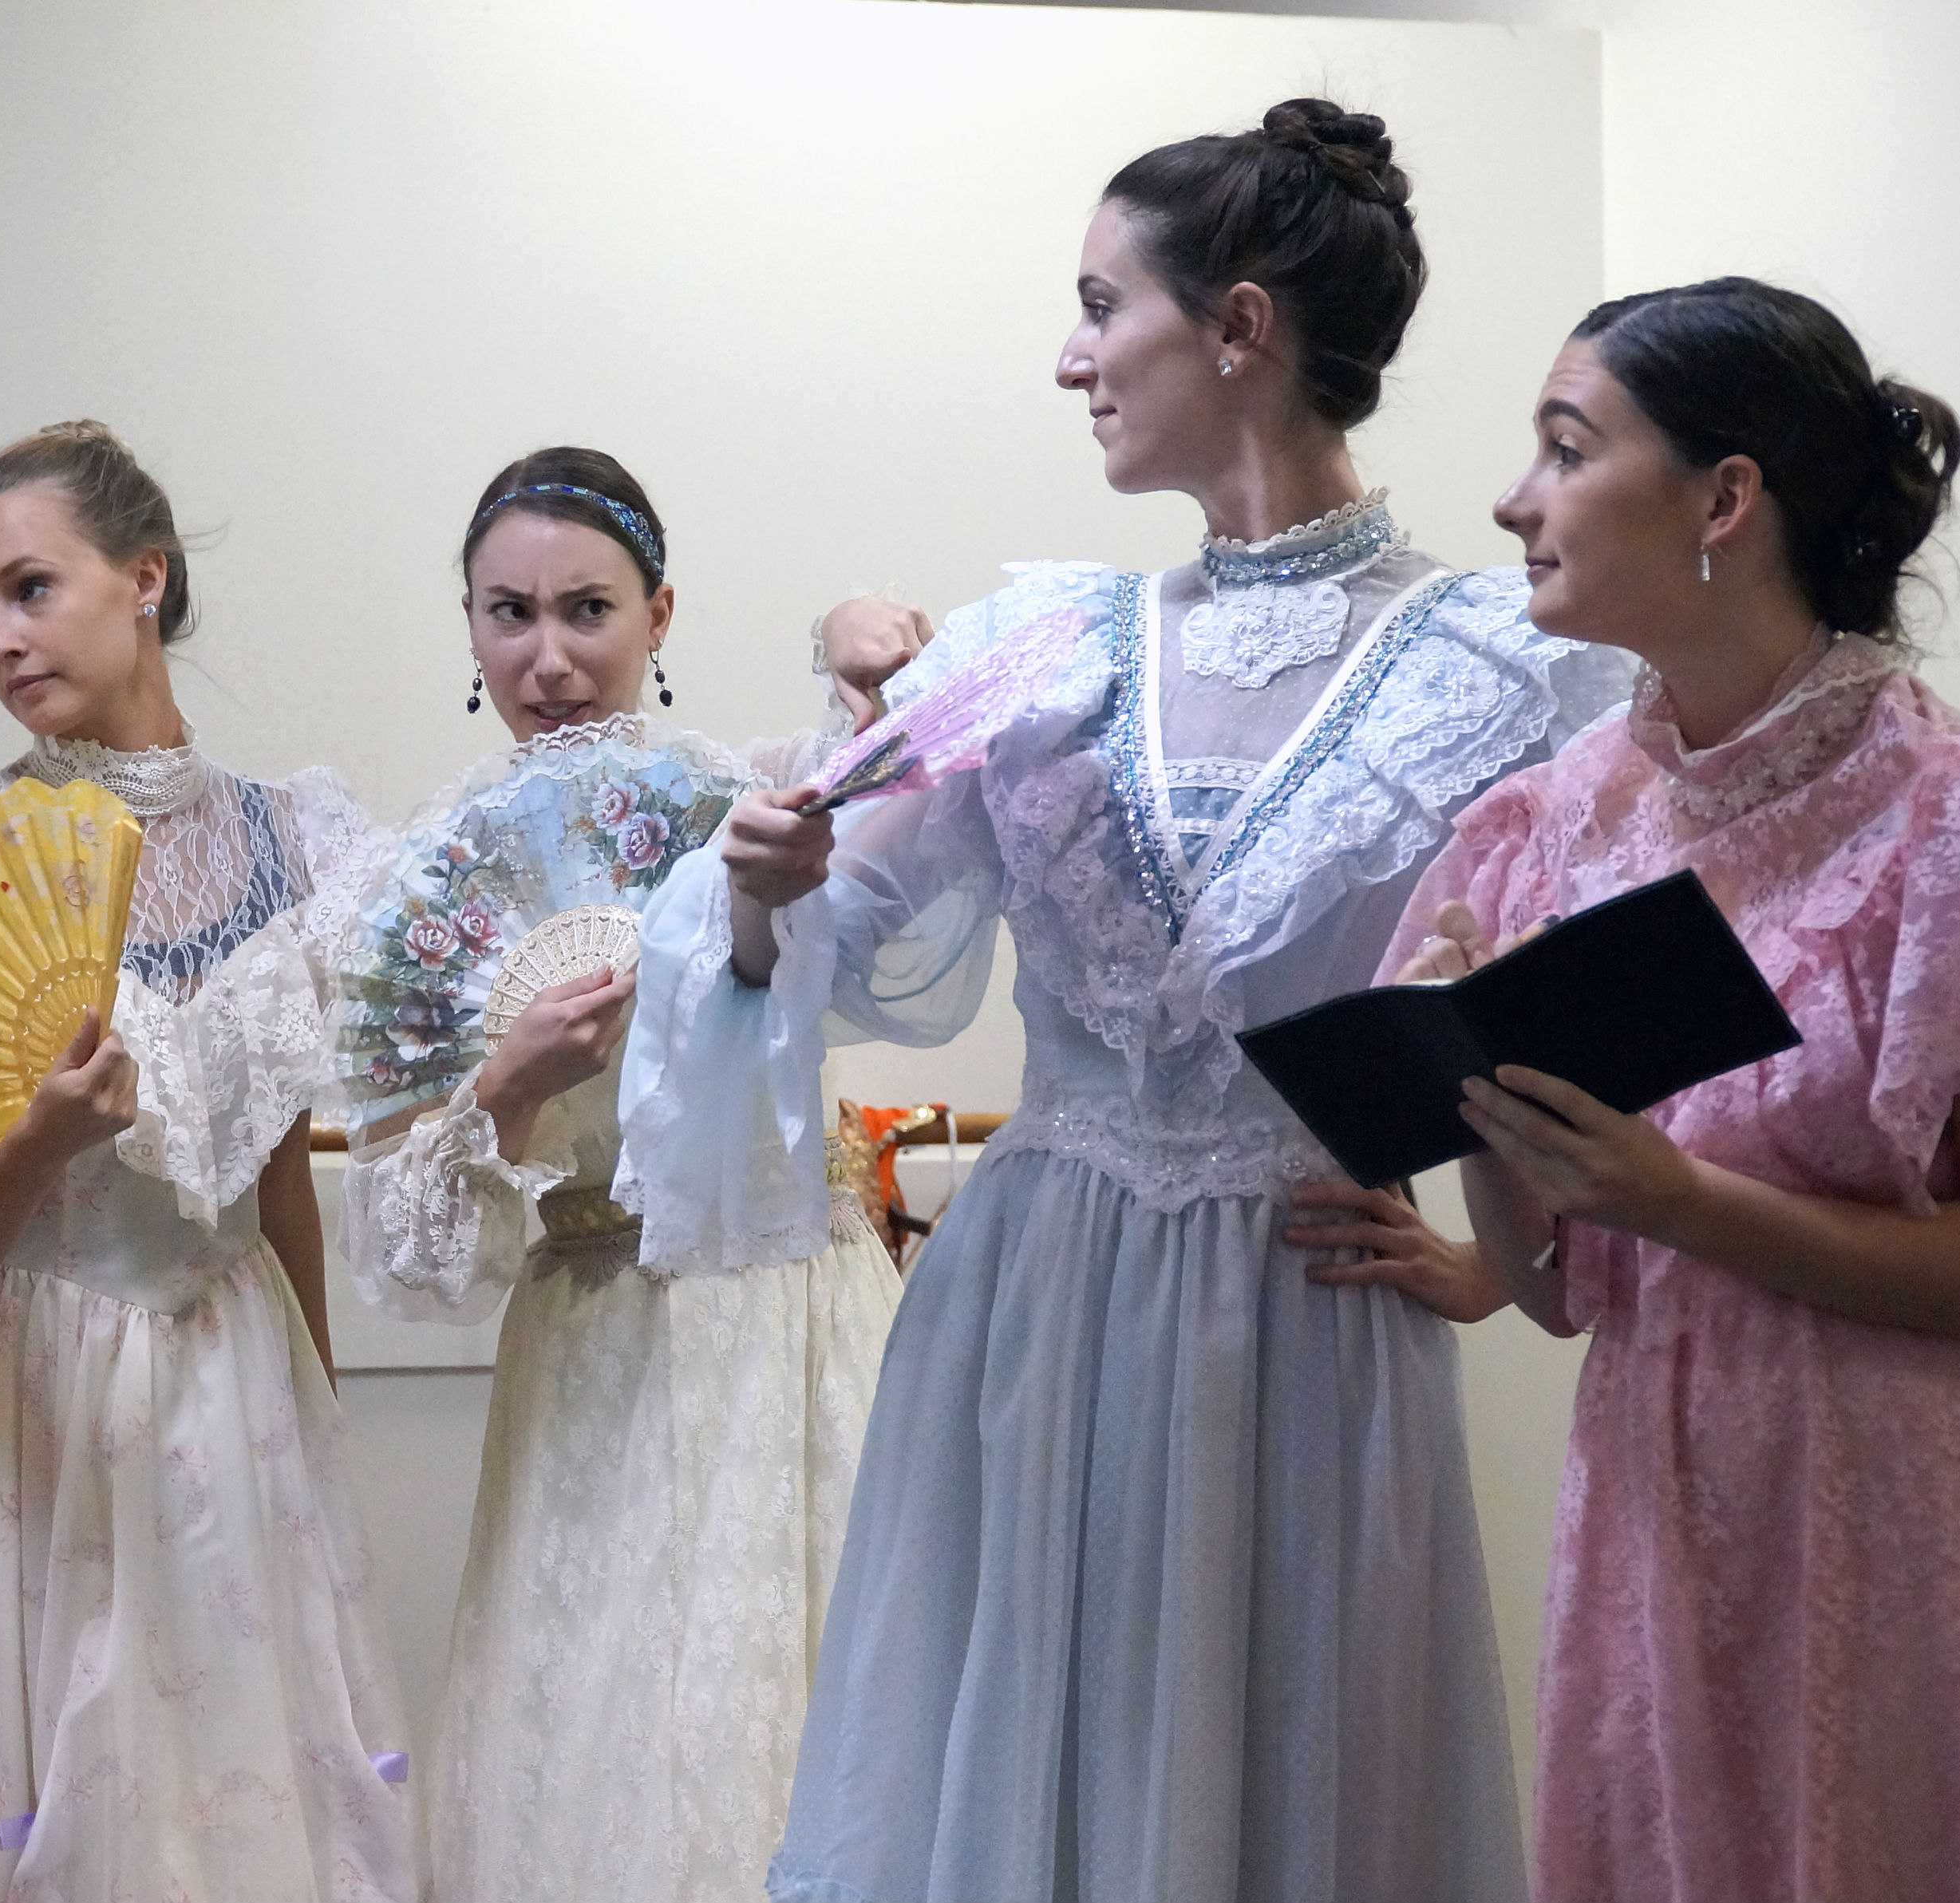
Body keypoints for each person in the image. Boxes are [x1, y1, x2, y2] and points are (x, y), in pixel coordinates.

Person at [634, 101, 1633, 1901]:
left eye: (1104, 305)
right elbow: (832, 947)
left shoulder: (1516, 670)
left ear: (1236, 326)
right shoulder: (1034, 644)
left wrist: (1505, 1263)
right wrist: (765, 890)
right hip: (1035, 1301)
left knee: (1290, 1792)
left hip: (1305, 1312)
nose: (1070, 353)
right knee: (1012, 1777)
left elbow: (1632, 1019)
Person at [1385, 278, 1960, 1903]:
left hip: (1897, 1513)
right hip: (1646, 1502)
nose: (1513, 499)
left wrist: (1679, 1197)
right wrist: (1481, 1108)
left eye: (1564, 449)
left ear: (1724, 499)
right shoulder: (1559, 816)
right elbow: (1560, 1298)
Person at [0, 420, 417, 1902]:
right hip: (13, 1395)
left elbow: (279, 1189)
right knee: (29, 1821)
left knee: (243, 1816)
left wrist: (317, 1423)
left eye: (29, 589)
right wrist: (42, 1135)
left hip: (232, 1386)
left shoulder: (303, 845)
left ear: (142, 576)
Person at [340, 448, 901, 1903]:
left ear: (659, 611)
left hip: (789, 1305)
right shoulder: (428, 879)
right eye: (507, 614)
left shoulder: (752, 799)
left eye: (585, 610)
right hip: (589, 1336)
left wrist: (861, 640)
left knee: (808, 1720)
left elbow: (905, 781)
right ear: (466, 627)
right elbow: (410, 1266)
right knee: (591, 1759)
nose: (548, 659)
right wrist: (508, 1083)